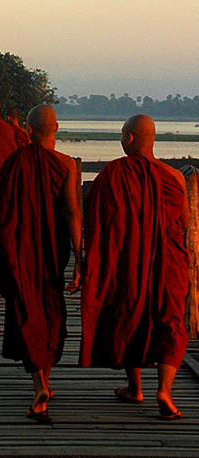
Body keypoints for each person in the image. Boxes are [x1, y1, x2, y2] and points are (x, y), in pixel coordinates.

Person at [80, 114, 189, 421]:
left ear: (128, 138)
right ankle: (165, 390)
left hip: (130, 259)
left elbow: (99, 220)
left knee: (132, 313)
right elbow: (182, 223)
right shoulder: (175, 177)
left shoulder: (113, 173)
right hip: (170, 260)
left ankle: (134, 386)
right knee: (170, 320)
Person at [0, 104, 82, 422]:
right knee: (50, 311)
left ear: (28, 129)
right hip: (53, 250)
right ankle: (45, 383)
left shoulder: (15, 161)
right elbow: (71, 213)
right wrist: (80, 258)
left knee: (26, 309)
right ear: (56, 127)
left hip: (19, 250)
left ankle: (40, 384)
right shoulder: (68, 164)